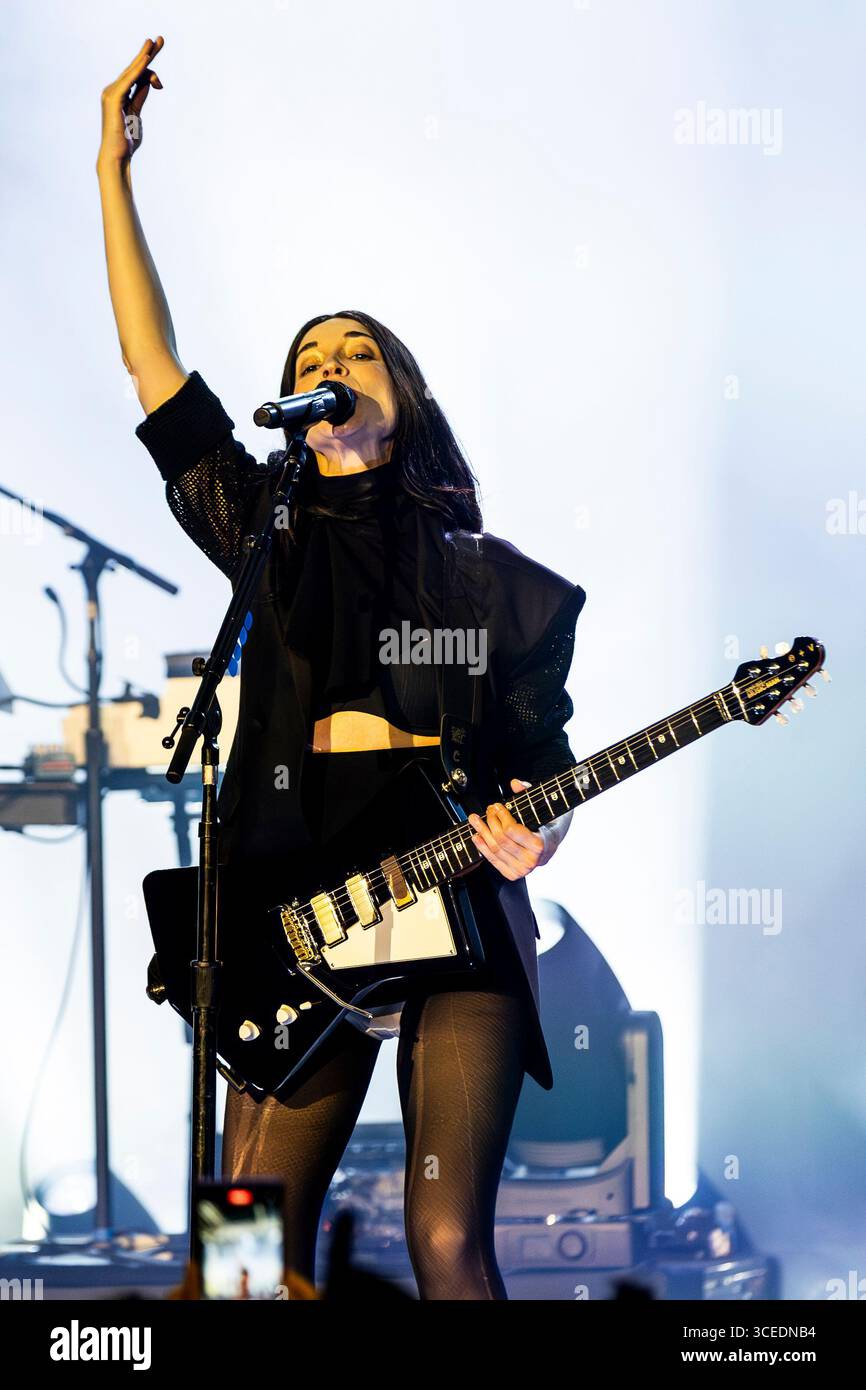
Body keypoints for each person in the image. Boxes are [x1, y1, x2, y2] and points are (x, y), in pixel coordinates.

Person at [97, 36, 586, 1301]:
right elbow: (157, 375)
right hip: (297, 914)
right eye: (311, 358)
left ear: (401, 398)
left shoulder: (497, 582)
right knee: (245, 1254)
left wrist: (542, 830)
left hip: (451, 911)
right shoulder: (264, 528)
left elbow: (543, 759)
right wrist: (115, 173)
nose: (330, 367)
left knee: (443, 1241)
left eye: (357, 353)